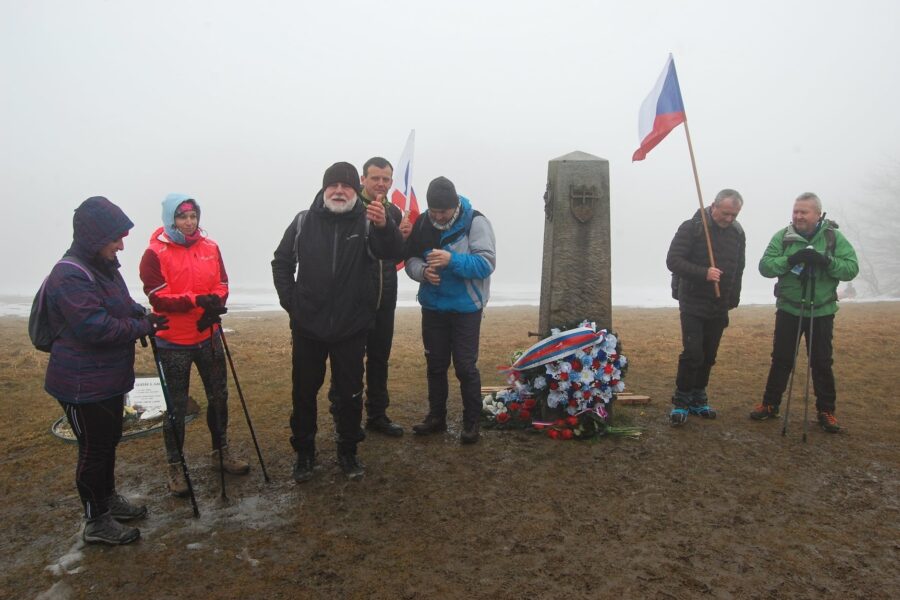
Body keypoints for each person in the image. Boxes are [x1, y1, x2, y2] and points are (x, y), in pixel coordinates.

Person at [43, 196, 169, 545]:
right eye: (116, 237)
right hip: (80, 383)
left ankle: (107, 499)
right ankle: (95, 520)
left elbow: (122, 304)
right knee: (94, 449)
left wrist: (142, 314)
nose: (121, 244)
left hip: (106, 378)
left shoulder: (104, 268)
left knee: (107, 441)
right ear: (95, 237)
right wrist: (141, 328)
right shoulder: (69, 274)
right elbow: (94, 327)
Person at [272, 162, 403, 482]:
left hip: (351, 327)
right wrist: (293, 305)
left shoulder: (370, 220)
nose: (340, 191)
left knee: (349, 394)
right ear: (325, 188)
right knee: (303, 393)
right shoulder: (303, 221)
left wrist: (386, 226)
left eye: (346, 186)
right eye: (334, 186)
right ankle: (304, 453)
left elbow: (392, 251)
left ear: (354, 190)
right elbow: (282, 262)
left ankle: (348, 451)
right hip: (308, 328)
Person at [139, 194, 249, 498]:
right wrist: (196, 301)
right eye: (182, 217)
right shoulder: (154, 252)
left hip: (208, 334)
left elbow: (223, 282)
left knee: (219, 397)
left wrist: (216, 302)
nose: (189, 223)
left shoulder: (210, 247)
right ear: (170, 219)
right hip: (172, 341)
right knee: (176, 407)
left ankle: (221, 452)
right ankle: (175, 466)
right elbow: (157, 297)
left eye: (193, 216)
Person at [751, 192, 859, 432]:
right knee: (781, 359)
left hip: (821, 311)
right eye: (795, 211)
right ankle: (770, 405)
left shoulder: (833, 238)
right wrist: (792, 259)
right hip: (789, 308)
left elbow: (851, 269)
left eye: (804, 212)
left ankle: (826, 411)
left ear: (817, 214)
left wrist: (827, 261)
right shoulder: (784, 237)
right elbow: (765, 266)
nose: (798, 216)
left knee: (821, 362)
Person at [405, 176, 496, 444]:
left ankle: (471, 423)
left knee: (466, 367)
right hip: (433, 307)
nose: (438, 217)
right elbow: (410, 258)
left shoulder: (475, 222)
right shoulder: (422, 222)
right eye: (434, 211)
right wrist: (422, 272)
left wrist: (451, 260)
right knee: (435, 365)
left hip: (467, 308)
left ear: (454, 205)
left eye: (443, 212)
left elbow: (486, 263)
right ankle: (436, 417)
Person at [327, 157, 412, 437]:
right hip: (354, 301)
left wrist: (403, 237)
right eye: (375, 178)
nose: (381, 184)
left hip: (385, 298)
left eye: (386, 179)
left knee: (379, 359)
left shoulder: (394, 212)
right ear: (363, 179)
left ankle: (377, 414)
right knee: (347, 362)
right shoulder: (349, 208)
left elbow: (397, 255)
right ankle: (343, 413)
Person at [666, 189, 746, 425]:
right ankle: (681, 402)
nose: (729, 219)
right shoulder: (691, 227)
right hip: (692, 300)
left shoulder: (738, 233)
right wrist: (704, 273)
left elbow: (738, 268)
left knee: (709, 355)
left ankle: (698, 398)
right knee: (693, 354)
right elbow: (673, 260)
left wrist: (733, 298)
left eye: (735, 214)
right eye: (726, 213)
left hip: (719, 304)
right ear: (714, 206)